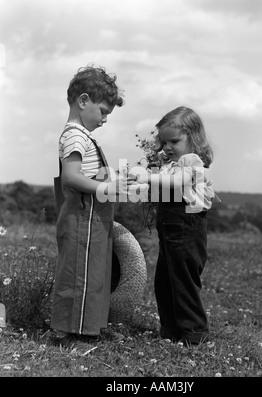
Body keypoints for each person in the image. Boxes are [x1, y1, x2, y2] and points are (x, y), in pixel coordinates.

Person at [50, 65, 134, 347]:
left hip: (91, 218)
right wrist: (105, 188)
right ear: (83, 101)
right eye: (103, 111)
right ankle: (70, 334)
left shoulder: (82, 136)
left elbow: (90, 173)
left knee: (93, 272)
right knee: (79, 276)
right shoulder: (74, 135)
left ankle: (86, 329)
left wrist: (118, 181)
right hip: (81, 217)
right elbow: (72, 176)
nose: (105, 119)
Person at [132, 106, 218, 345]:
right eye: (163, 142)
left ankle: (194, 334)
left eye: (174, 141)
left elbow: (177, 182)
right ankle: (170, 331)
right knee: (164, 281)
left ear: (194, 138)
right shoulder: (172, 164)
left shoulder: (191, 161)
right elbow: (163, 185)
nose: (167, 147)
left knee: (183, 281)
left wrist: (147, 177)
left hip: (186, 229)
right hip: (170, 232)